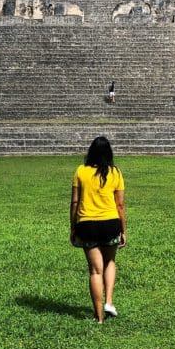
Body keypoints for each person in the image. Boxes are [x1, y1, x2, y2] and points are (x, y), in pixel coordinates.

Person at [70, 136, 126, 323]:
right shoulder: (115, 172)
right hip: (110, 223)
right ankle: (109, 301)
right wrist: (123, 230)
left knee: (95, 271)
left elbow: (75, 202)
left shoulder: (81, 171)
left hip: (87, 224)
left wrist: (73, 227)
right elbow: (120, 205)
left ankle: (99, 317)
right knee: (109, 261)